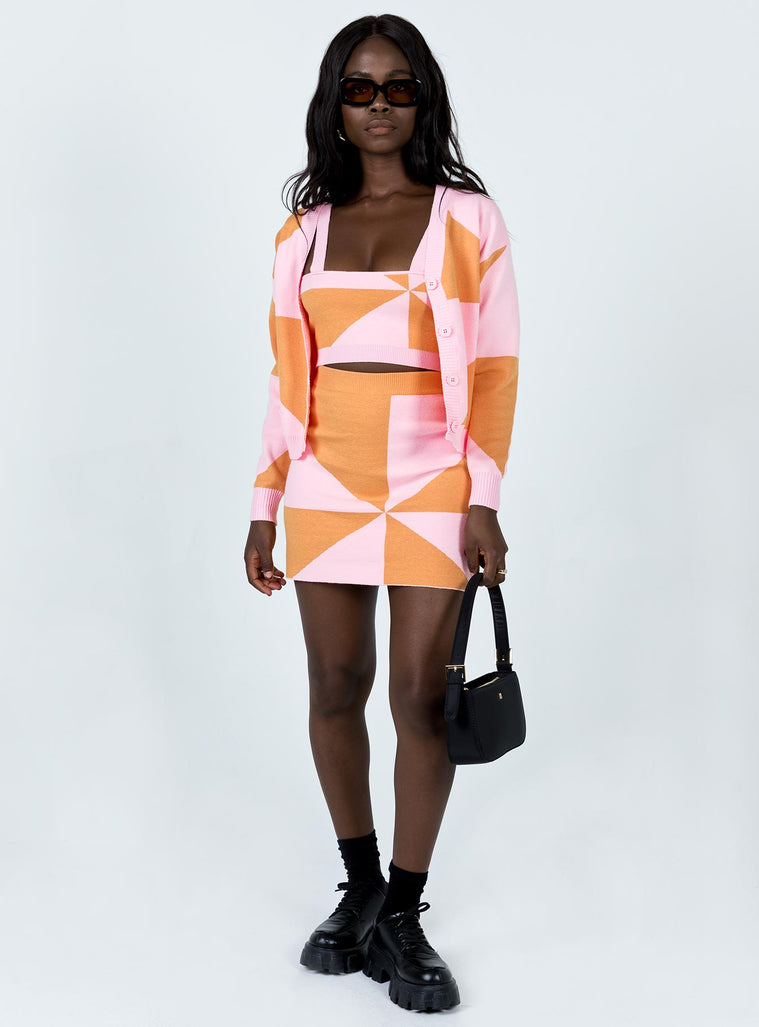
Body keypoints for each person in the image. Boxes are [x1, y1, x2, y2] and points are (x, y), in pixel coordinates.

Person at [243, 14, 520, 1013]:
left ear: (422, 100)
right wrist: (265, 499)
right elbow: (286, 381)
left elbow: (494, 372)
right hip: (325, 476)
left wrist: (483, 498)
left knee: (415, 697)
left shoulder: (468, 220)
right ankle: (358, 885)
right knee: (334, 683)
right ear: (334, 104)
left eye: (398, 88)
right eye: (358, 89)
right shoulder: (303, 232)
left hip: (431, 480)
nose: (378, 106)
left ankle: (404, 909)